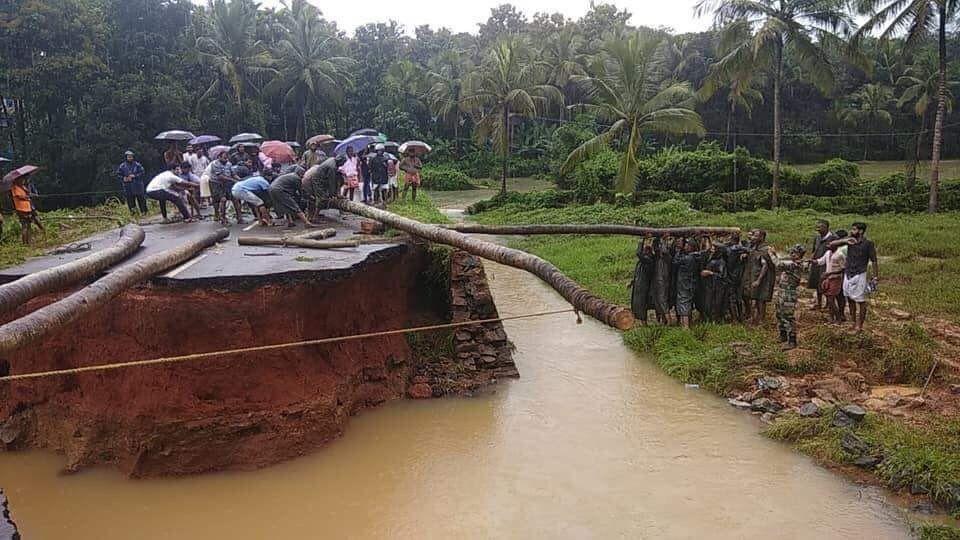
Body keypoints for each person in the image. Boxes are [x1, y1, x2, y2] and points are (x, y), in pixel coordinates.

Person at [832, 222, 879, 334]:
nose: (851, 231)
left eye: (853, 229)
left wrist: (875, 276)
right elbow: (831, 244)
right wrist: (844, 241)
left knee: (861, 301)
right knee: (850, 299)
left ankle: (859, 325)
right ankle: (853, 323)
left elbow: (874, 260)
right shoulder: (849, 242)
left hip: (860, 274)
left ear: (861, 231)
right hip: (848, 273)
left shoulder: (868, 244)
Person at [774, 244, 808, 350]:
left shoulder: (796, 265)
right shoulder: (792, 264)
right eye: (791, 252)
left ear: (799, 255)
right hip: (782, 292)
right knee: (780, 314)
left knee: (788, 316)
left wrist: (772, 254)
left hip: (789, 293)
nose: (791, 254)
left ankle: (792, 341)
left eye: (794, 253)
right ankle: (783, 335)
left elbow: (778, 264)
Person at [814, 229, 848, 324]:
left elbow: (843, 268)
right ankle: (832, 317)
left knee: (831, 299)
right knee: (830, 299)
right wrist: (814, 261)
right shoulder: (828, 253)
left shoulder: (840, 255)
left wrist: (830, 273)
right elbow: (821, 261)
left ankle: (837, 317)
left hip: (836, 278)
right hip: (828, 278)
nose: (828, 245)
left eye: (829, 244)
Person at [742, 229, 775, 325]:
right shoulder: (754, 247)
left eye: (756, 236)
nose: (753, 237)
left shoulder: (765, 249)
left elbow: (765, 265)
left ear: (762, 237)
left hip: (762, 278)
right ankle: (756, 317)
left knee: (761, 299)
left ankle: (761, 320)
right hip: (754, 276)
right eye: (753, 235)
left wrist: (758, 280)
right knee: (755, 297)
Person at [673, 237, 703, 328]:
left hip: (684, 284)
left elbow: (675, 262)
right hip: (691, 283)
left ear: (690, 247)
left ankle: (685, 327)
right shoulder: (697, 256)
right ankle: (686, 325)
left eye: (686, 245)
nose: (685, 246)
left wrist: (678, 250)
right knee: (686, 303)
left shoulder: (688, 258)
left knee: (683, 304)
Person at [808, 219, 836, 310]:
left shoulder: (832, 238)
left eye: (820, 227)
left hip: (826, 264)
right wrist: (811, 259)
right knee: (817, 283)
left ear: (826, 227)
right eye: (817, 227)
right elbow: (814, 250)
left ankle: (828, 304)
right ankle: (819, 303)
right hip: (817, 263)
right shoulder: (817, 238)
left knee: (826, 284)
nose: (818, 229)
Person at [210, 151, 242, 225]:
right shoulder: (215, 164)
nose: (226, 159)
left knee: (235, 198)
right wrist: (233, 180)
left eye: (227, 158)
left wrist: (240, 179)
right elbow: (220, 176)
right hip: (217, 184)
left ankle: (239, 218)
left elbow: (233, 174)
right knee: (223, 200)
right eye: (224, 158)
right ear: (219, 157)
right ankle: (222, 218)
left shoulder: (229, 164)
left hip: (228, 183)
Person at [629, 237, 656, 325]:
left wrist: (641, 241)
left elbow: (638, 253)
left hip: (644, 286)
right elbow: (637, 273)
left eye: (646, 250)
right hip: (638, 285)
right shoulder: (641, 262)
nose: (644, 251)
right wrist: (632, 282)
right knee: (636, 304)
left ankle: (644, 323)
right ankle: (639, 322)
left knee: (642, 305)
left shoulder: (649, 260)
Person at [699, 242, 728, 322]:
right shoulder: (711, 258)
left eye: (713, 249)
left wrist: (709, 273)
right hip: (709, 286)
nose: (711, 250)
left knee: (715, 305)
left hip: (717, 288)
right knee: (707, 304)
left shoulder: (721, 262)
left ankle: (715, 321)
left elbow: (722, 276)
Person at [724, 233, 749, 322]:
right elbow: (749, 249)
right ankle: (741, 316)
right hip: (739, 276)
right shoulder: (741, 249)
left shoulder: (730, 249)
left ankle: (734, 318)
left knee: (731, 298)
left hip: (731, 276)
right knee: (739, 297)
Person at [11, 176, 43, 245]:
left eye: (23, 179)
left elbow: (28, 193)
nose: (23, 180)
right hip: (21, 209)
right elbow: (19, 196)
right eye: (21, 179)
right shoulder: (15, 187)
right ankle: (24, 243)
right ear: (17, 180)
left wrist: (32, 195)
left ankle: (29, 242)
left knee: (28, 225)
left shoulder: (23, 187)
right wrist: (27, 198)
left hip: (27, 208)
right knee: (24, 226)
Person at [650, 237, 673, 324]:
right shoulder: (656, 258)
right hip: (657, 281)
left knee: (662, 300)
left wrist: (663, 239)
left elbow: (664, 251)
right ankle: (663, 320)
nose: (656, 249)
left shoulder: (667, 257)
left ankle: (669, 320)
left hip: (663, 281)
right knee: (657, 300)